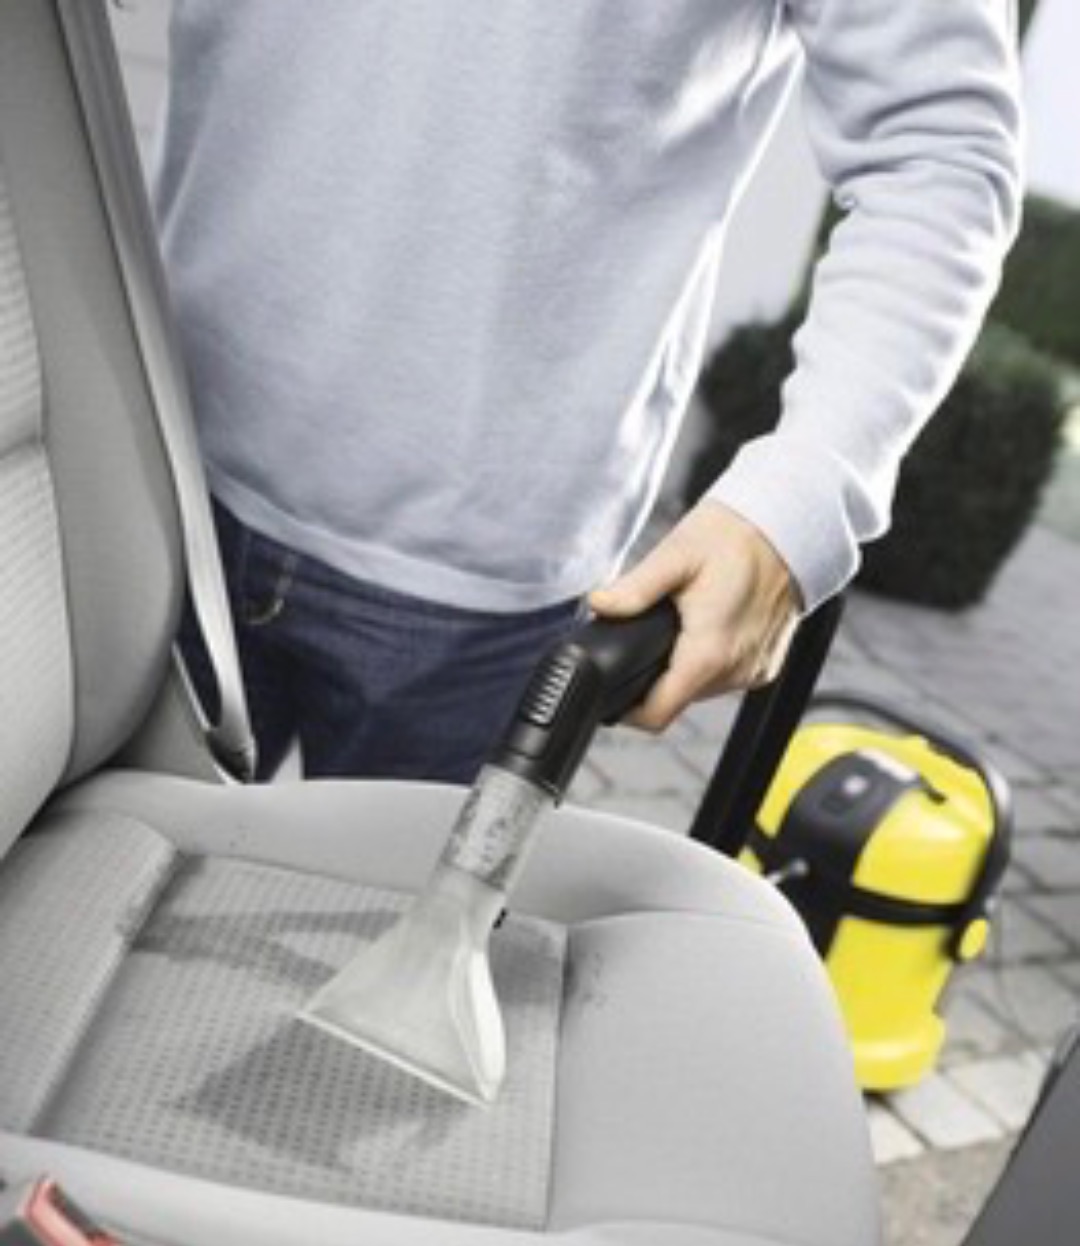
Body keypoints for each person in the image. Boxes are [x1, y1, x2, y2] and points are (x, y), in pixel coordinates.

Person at [156, 1, 1022, 783]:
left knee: (392, 915)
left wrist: (798, 503)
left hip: (479, 574)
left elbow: (938, 153)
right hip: (148, 453)